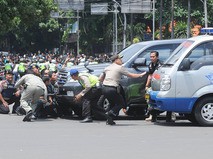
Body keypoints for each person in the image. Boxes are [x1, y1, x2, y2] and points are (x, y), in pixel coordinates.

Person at [99, 54, 146, 125]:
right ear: (116, 60)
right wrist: (141, 75)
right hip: (112, 88)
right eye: (120, 59)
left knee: (112, 104)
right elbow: (131, 75)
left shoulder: (107, 68)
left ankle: (110, 120)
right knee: (121, 103)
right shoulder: (120, 67)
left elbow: (100, 79)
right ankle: (110, 113)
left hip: (104, 88)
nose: (121, 60)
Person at [145, 51, 175, 122]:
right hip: (153, 85)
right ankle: (152, 115)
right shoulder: (150, 65)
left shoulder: (161, 65)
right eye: (151, 57)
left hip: (161, 85)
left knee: (165, 100)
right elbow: (150, 75)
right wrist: (147, 85)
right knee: (149, 98)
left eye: (153, 57)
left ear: (157, 57)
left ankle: (171, 115)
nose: (152, 58)